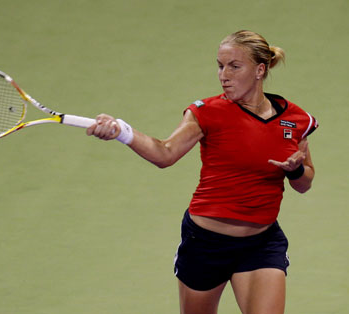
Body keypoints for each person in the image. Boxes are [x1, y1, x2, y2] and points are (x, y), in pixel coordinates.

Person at [86, 30, 318, 314]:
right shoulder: (207, 112)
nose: (224, 75)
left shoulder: (295, 119)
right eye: (220, 66)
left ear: (260, 70)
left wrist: (295, 171)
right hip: (206, 244)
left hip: (261, 243)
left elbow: (305, 182)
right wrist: (122, 131)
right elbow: (165, 153)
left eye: (234, 66)